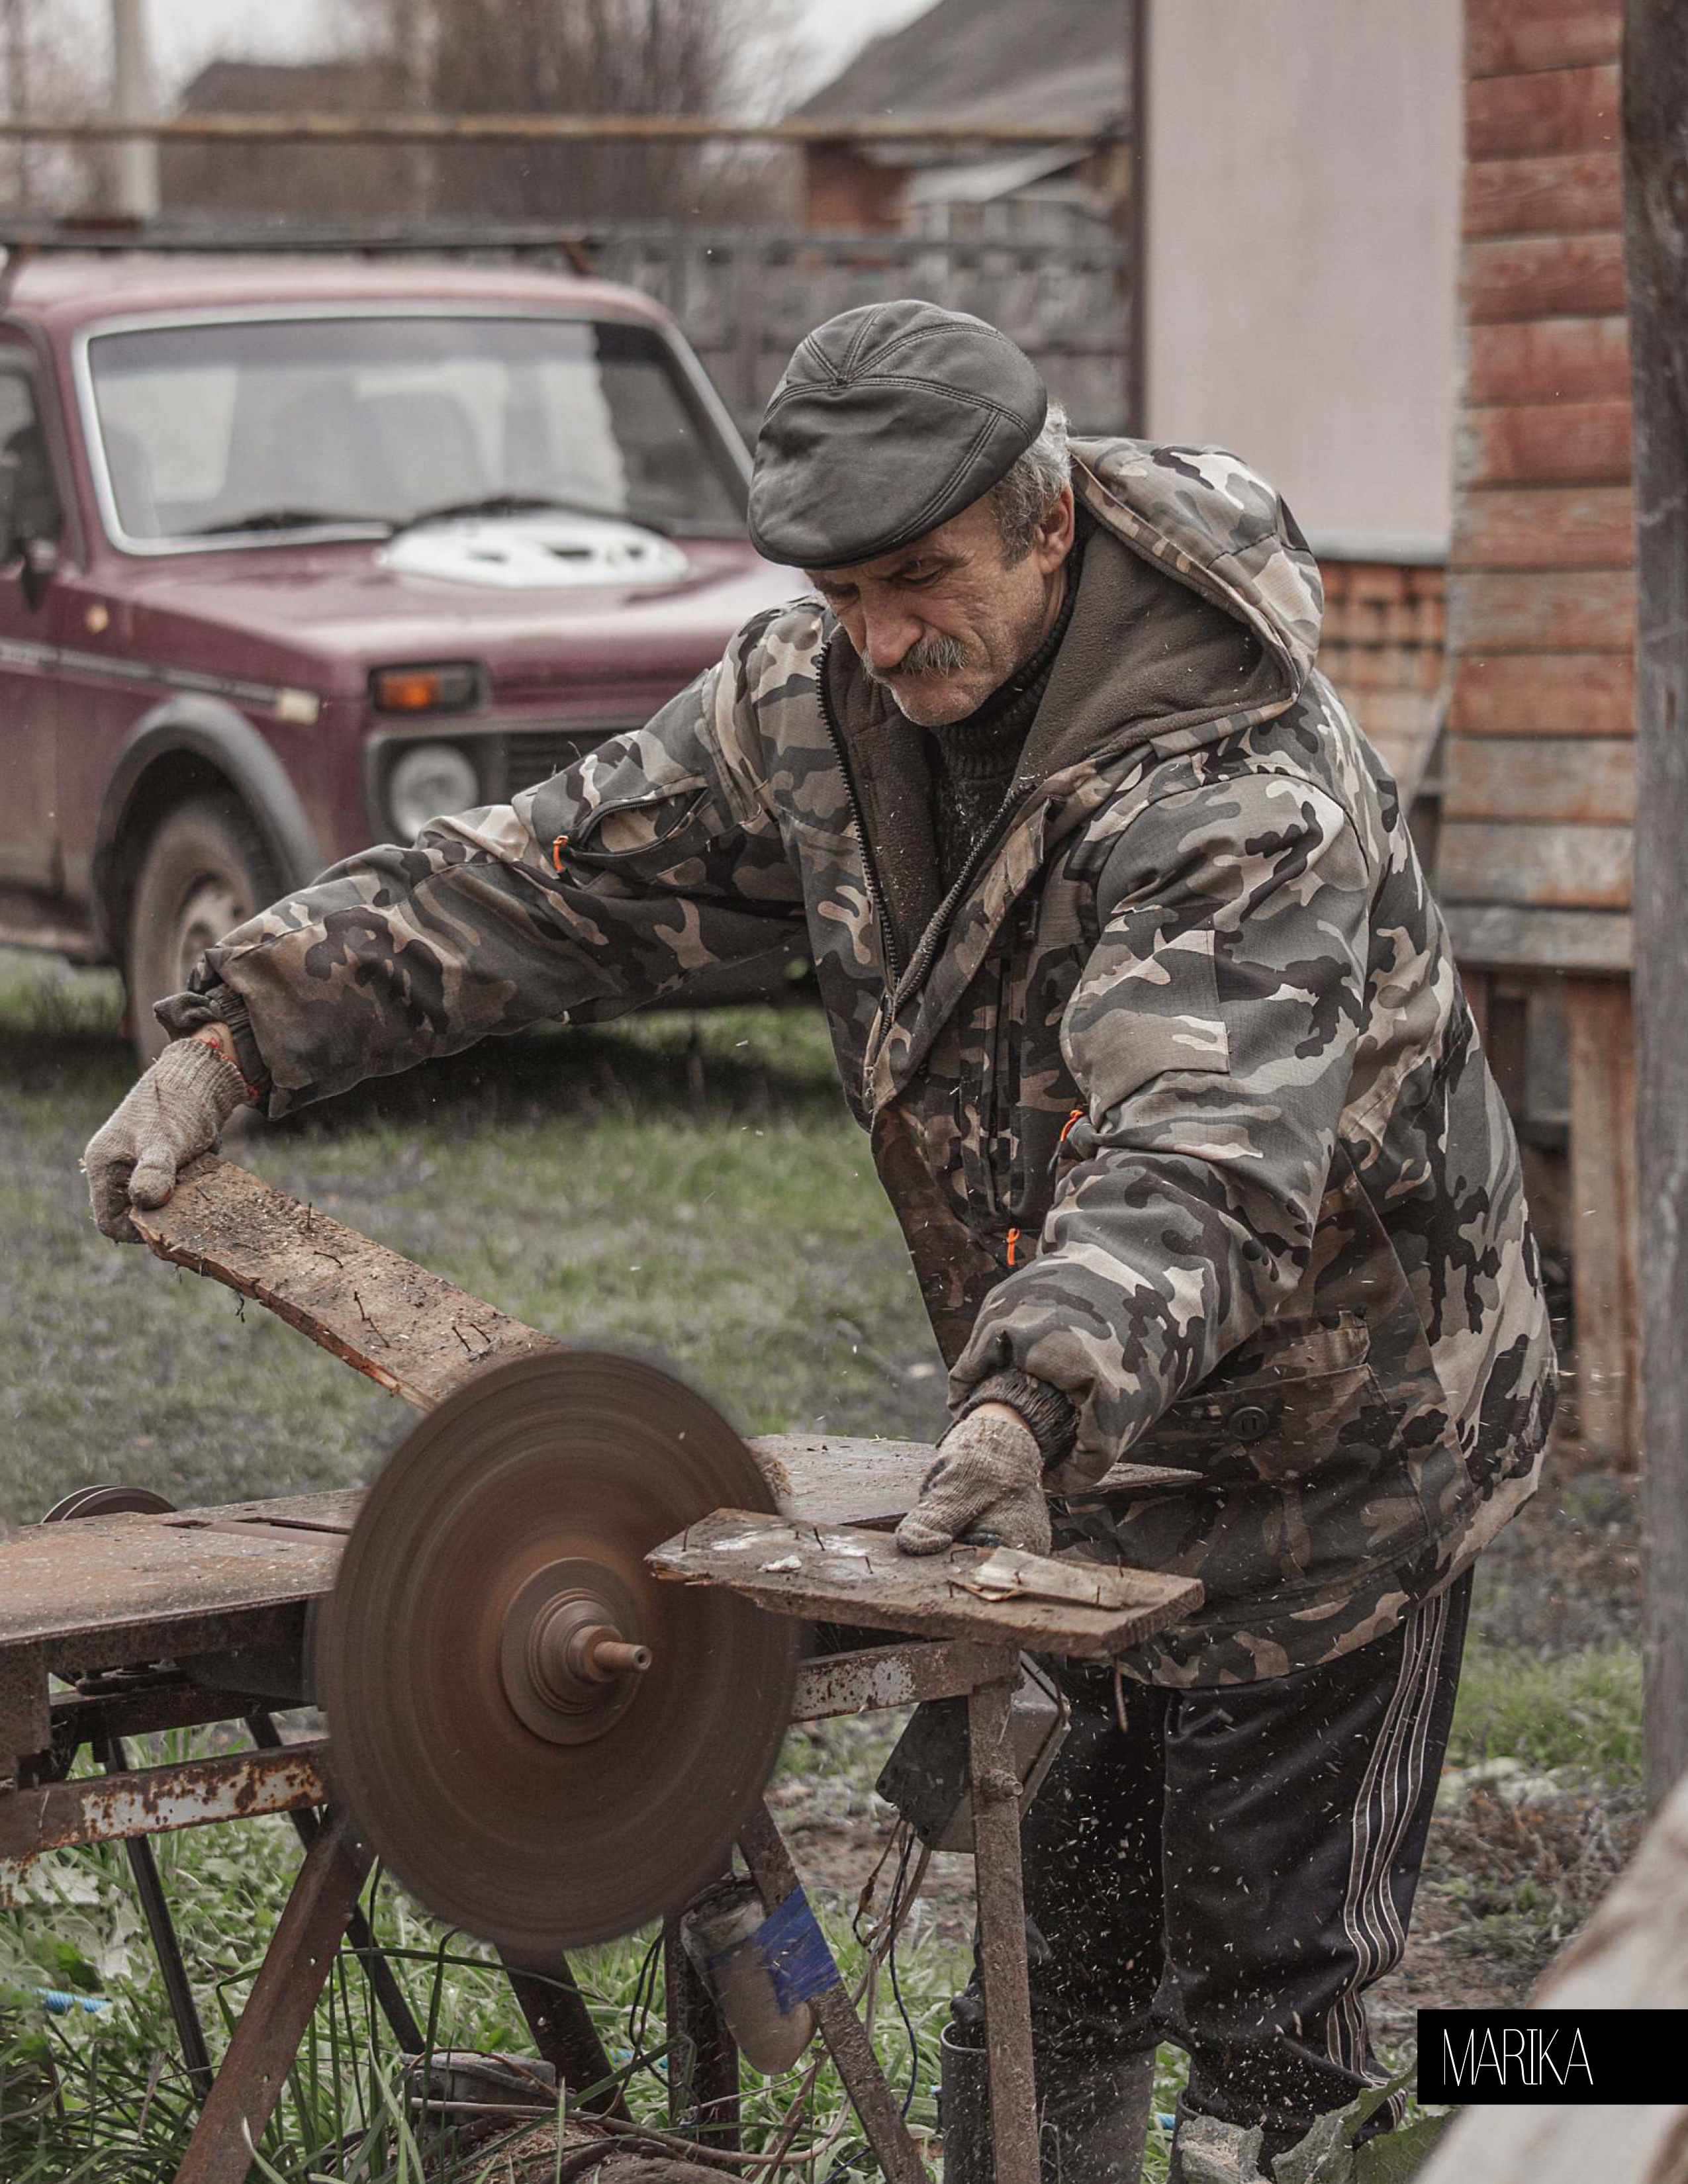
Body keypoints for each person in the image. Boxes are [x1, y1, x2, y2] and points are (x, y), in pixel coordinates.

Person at [83, 302, 1556, 2182]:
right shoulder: (825, 704)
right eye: (843, 587)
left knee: (1276, 2021)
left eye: (919, 578)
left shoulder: (1233, 775)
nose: (882, 633)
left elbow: (1194, 1151)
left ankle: (1461, 2110)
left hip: (1338, 1450)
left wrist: (1030, 1394)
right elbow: (552, 876)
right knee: (1059, 1966)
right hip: (1093, 1459)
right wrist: (239, 1035)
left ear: (1047, 523)